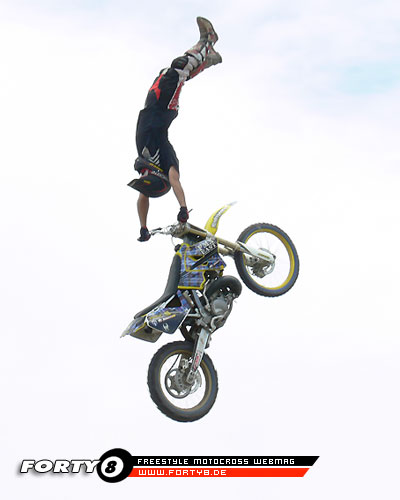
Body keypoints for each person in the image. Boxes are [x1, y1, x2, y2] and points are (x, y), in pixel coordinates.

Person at [133, 17, 222, 242]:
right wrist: (183, 209)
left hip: (151, 105)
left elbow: (143, 196)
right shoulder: (164, 153)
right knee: (178, 69)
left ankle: (207, 60)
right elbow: (174, 180)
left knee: (171, 73)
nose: (145, 175)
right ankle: (208, 41)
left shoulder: (146, 165)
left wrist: (143, 227)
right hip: (163, 109)